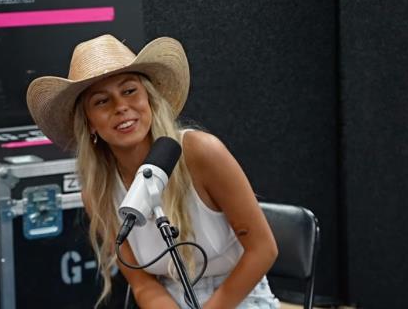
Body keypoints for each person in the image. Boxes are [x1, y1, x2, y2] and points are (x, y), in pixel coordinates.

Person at [26, 34, 279, 308]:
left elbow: (263, 249)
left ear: (149, 99)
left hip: (238, 296)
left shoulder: (202, 152)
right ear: (89, 124)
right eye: (102, 101)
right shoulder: (97, 193)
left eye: (129, 91)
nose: (121, 107)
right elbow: (142, 283)